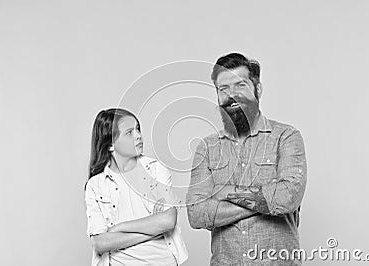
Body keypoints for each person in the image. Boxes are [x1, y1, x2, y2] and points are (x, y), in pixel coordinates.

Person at [186, 53, 307, 265]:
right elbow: (196, 214)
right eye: (223, 89)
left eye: (240, 85)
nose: (232, 95)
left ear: (257, 89)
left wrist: (224, 192)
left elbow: (288, 197)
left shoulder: (286, 137)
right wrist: (265, 200)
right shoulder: (206, 148)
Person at [85, 108, 188, 266]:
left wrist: (118, 228)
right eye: (129, 132)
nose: (138, 136)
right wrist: (153, 228)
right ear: (111, 145)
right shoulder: (95, 186)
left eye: (138, 129)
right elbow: (100, 243)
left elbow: (168, 220)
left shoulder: (156, 170)